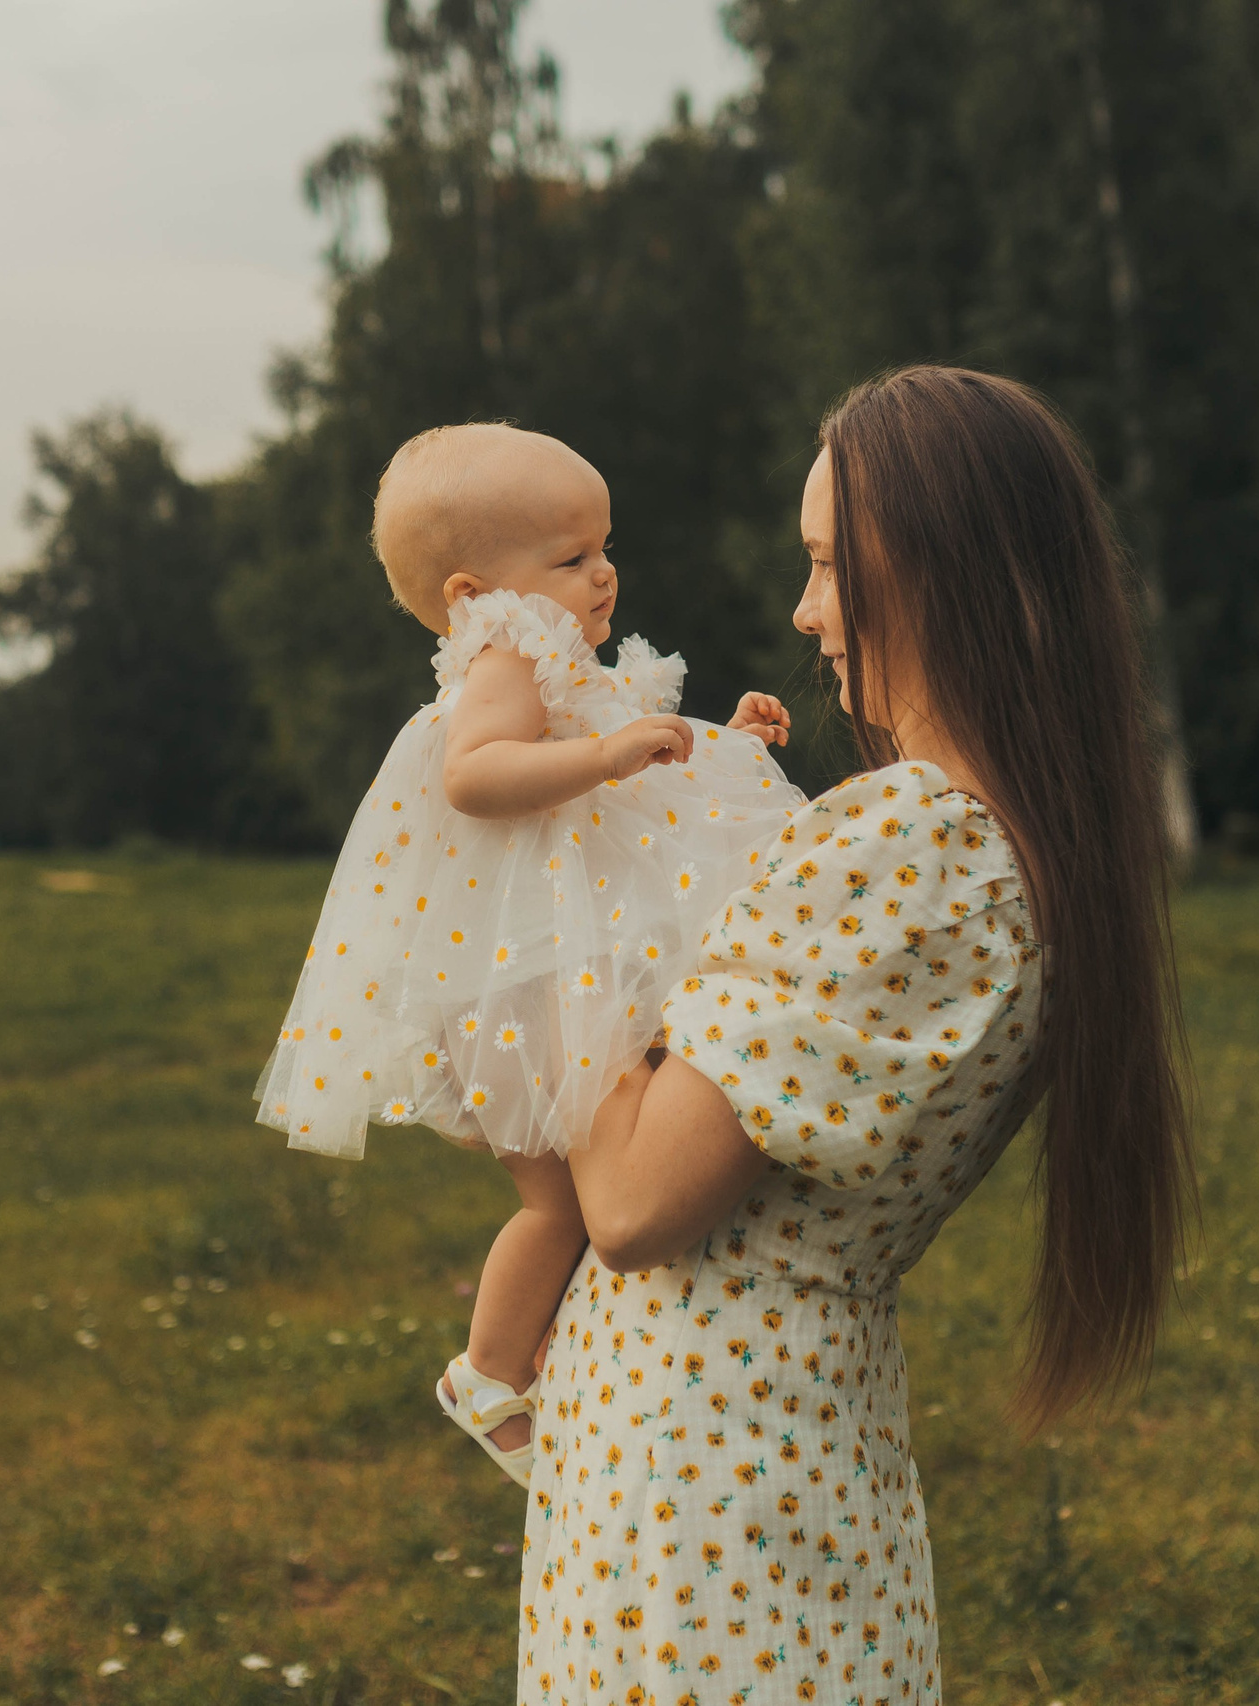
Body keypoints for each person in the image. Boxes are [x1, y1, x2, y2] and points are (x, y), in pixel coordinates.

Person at [515, 367, 1197, 1702]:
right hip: (765, 1447)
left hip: (707, 1477)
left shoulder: (917, 841)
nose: (804, 608)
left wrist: (544, 909)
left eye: (831, 565)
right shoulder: (982, 841)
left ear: (945, 574)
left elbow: (639, 1197)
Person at [254, 423, 797, 1483]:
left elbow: (645, 786)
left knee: (597, 1173)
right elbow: (476, 775)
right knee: (559, 1202)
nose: (603, 573)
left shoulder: (563, 669)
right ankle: (489, 1375)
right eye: (568, 557)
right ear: (473, 593)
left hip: (565, 958)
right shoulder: (504, 662)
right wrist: (600, 753)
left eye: (601, 546)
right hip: (525, 972)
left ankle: (548, 1350)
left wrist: (723, 736)